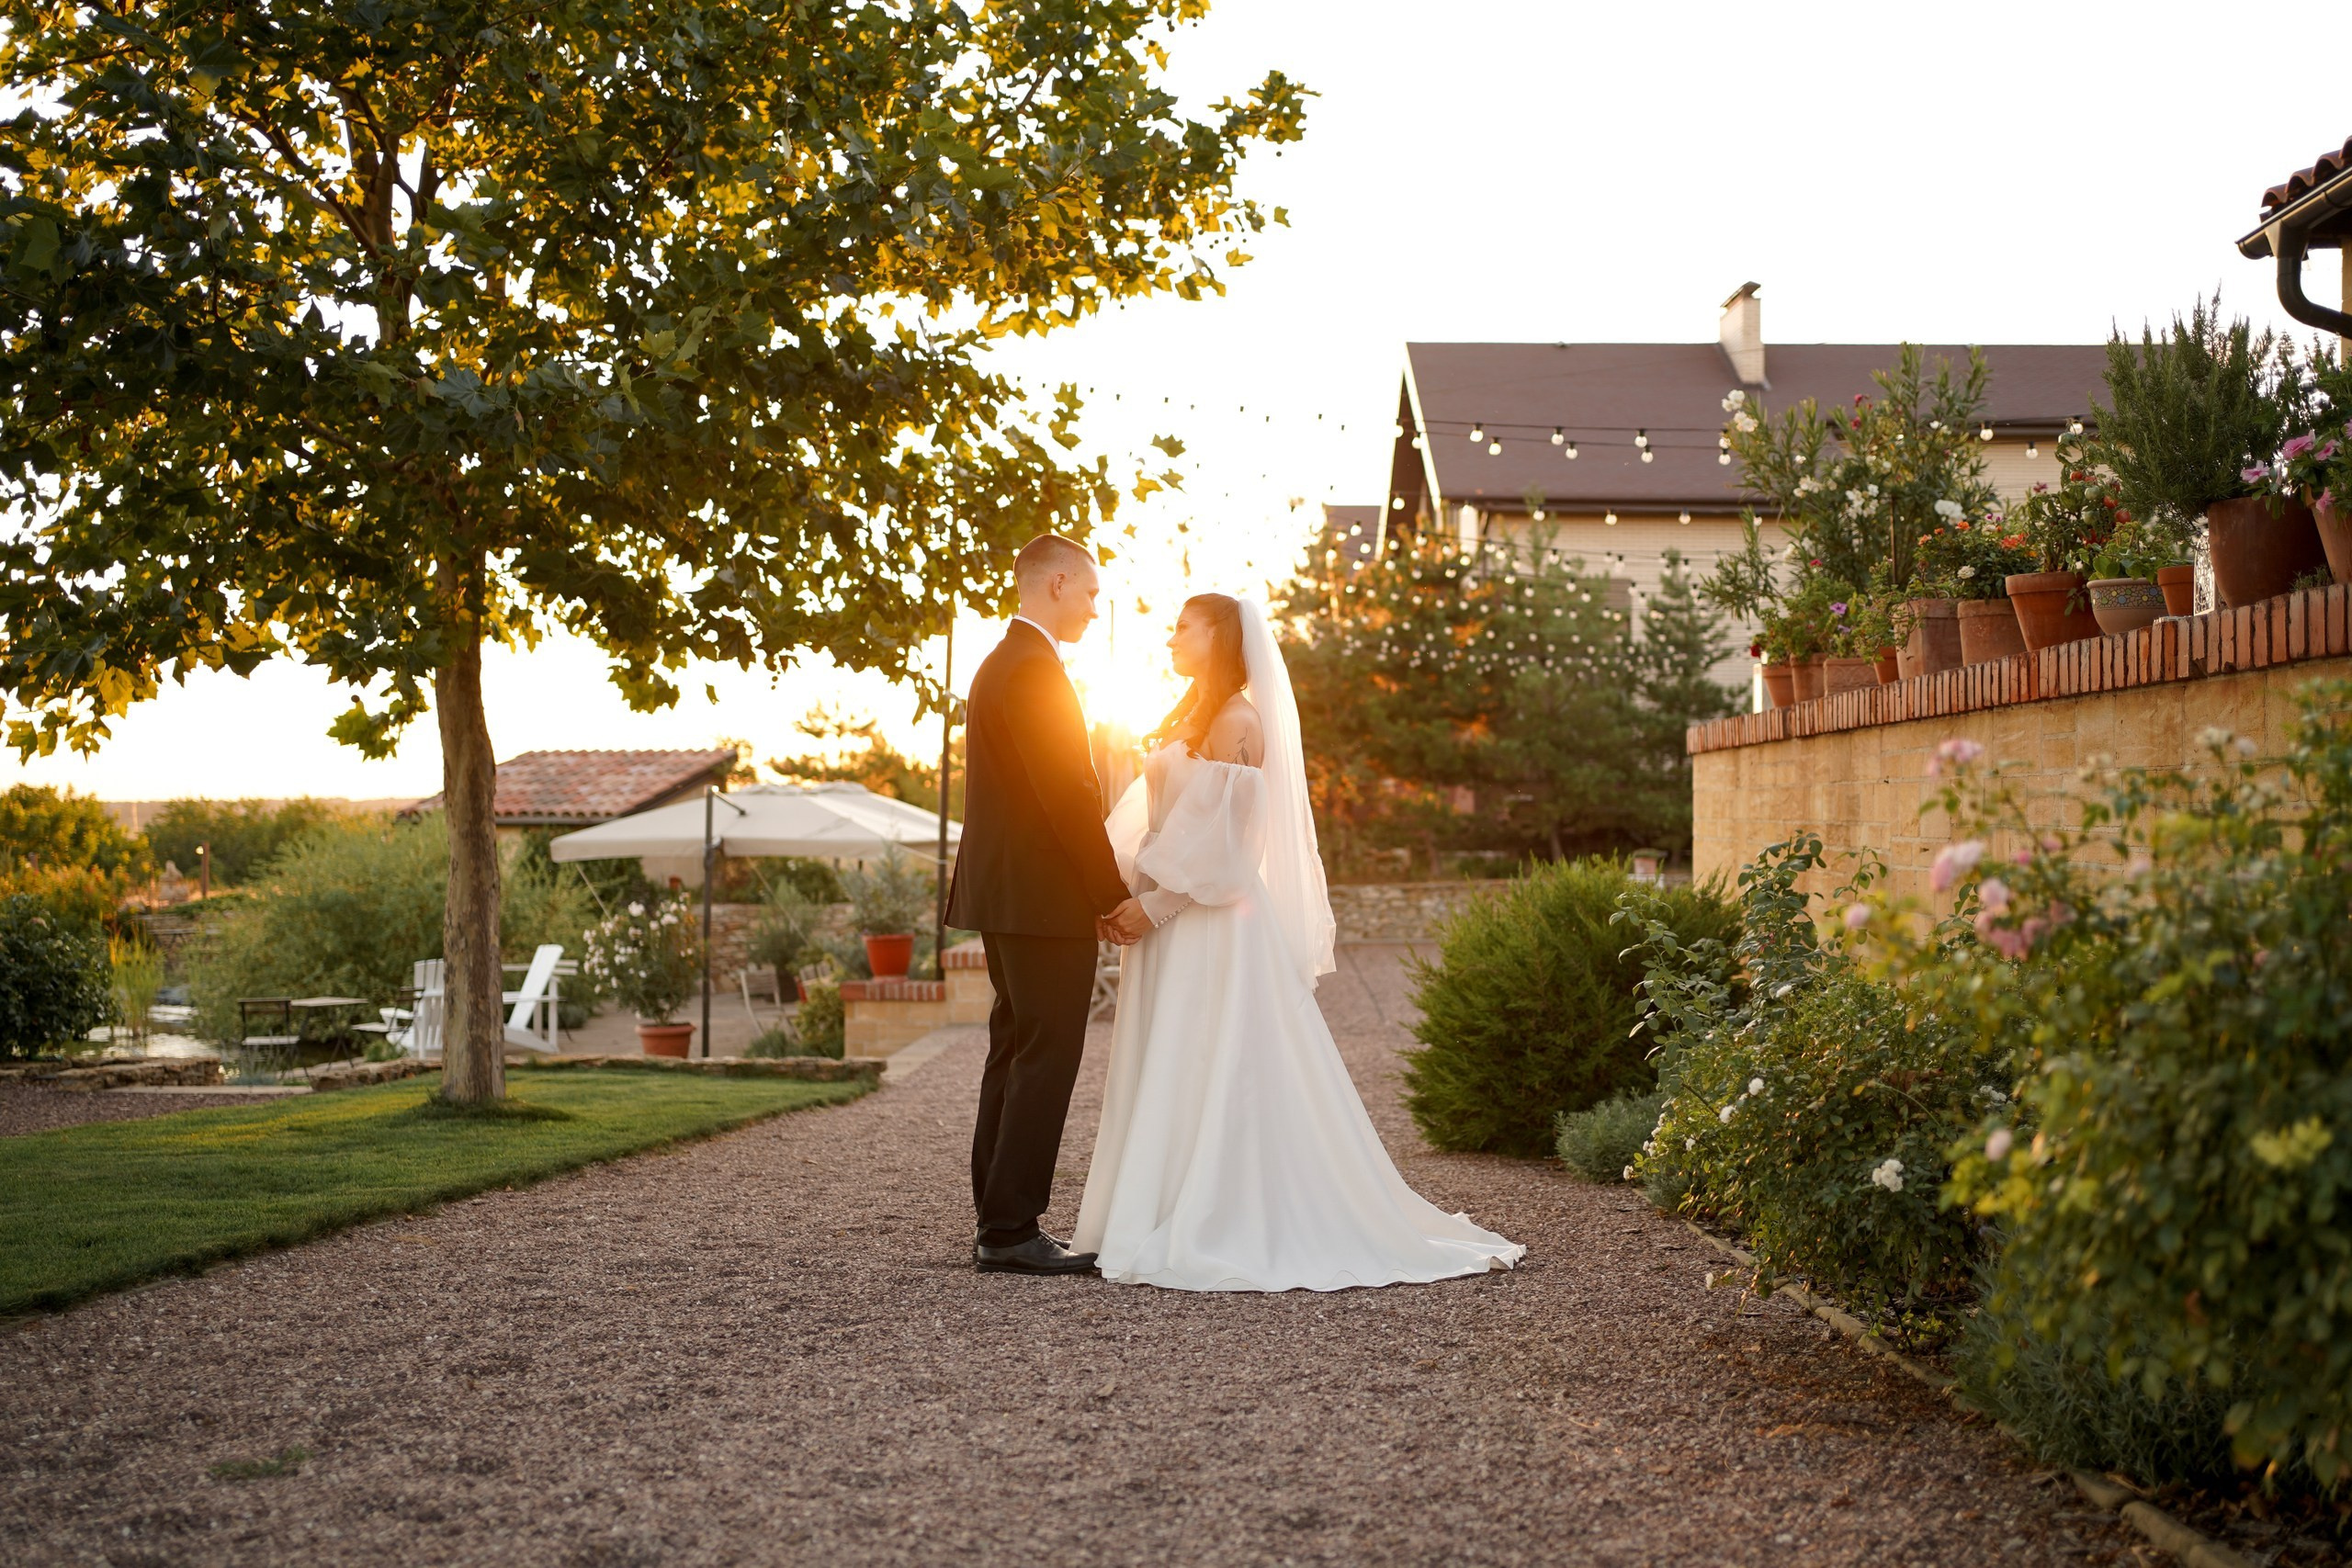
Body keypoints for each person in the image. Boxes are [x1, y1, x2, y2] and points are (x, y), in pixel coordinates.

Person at [1071, 593, 1524, 1291]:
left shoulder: (1239, 722)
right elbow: (1152, 821)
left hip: (1208, 922)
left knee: (1211, 1059)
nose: (1170, 637)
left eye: (1184, 626)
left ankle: (1220, 1215)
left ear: (1221, 637)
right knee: (1168, 1057)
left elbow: (1229, 845)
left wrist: (1155, 905)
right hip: (1164, 915)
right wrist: (1120, 894)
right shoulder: (1189, 716)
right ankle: (1151, 1208)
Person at [944, 535, 1152, 1276]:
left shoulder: (1001, 661)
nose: (1095, 608)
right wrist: (1110, 893)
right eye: (1091, 593)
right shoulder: (1034, 669)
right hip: (1040, 897)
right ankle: (1008, 1229)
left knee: (1014, 1047)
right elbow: (1067, 794)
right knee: (1047, 1053)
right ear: (1057, 582)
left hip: (1008, 894)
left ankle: (997, 1216)